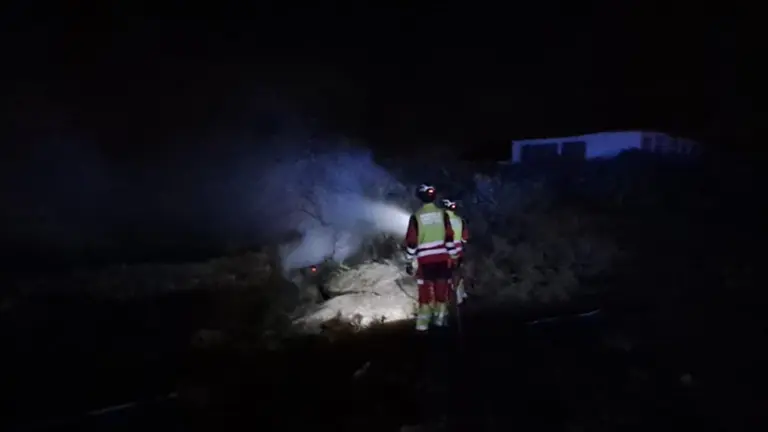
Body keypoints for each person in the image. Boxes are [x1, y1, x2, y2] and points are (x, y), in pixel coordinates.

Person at [405, 184, 457, 331]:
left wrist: (409, 260)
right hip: (442, 261)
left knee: (425, 296)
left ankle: (422, 328)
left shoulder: (416, 217)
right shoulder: (443, 215)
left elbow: (412, 242)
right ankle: (440, 324)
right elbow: (449, 238)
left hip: (425, 263)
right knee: (442, 295)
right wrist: (453, 258)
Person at [441, 199, 470, 304]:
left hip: (446, 252)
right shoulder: (460, 220)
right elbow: (465, 238)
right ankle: (461, 295)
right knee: (458, 272)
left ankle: (450, 298)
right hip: (459, 251)